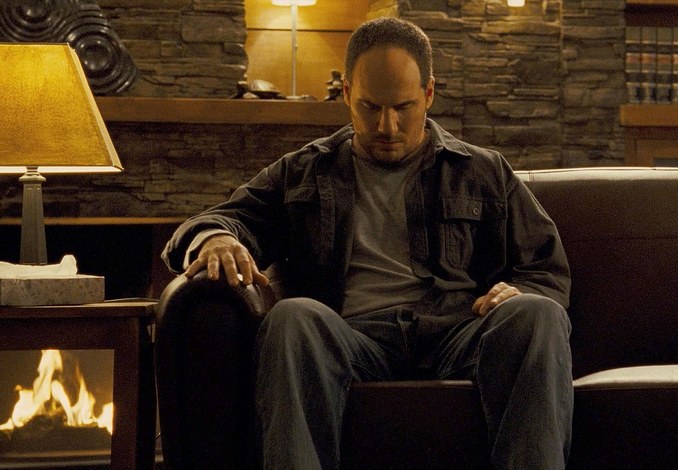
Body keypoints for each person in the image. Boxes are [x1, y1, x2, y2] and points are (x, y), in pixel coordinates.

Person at [162, 17, 573, 470]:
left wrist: (522, 291)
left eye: (403, 107)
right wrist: (215, 238)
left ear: (429, 94)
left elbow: (545, 266)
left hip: (456, 334)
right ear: (346, 94)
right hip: (351, 337)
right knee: (292, 318)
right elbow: (216, 219)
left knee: (538, 314)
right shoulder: (305, 172)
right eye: (370, 107)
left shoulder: (482, 171)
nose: (387, 126)